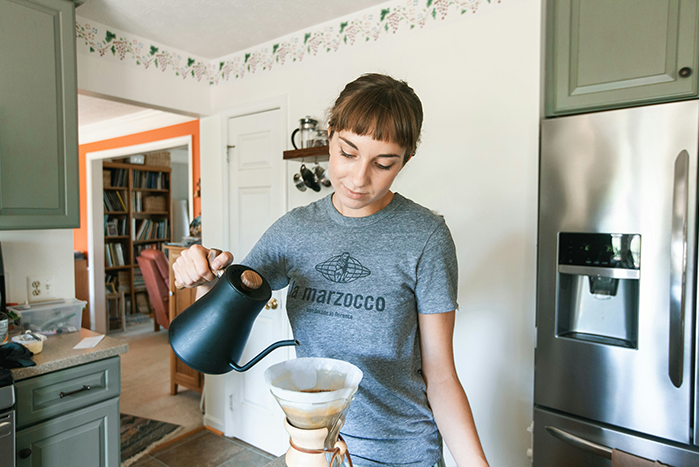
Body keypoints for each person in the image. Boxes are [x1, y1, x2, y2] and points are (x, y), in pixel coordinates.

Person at [173, 73, 489, 467]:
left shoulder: (425, 237)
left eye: (383, 163)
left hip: (400, 453)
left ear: (405, 160)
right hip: (313, 450)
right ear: (330, 136)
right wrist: (204, 277)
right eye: (348, 152)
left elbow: (440, 376)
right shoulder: (295, 230)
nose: (358, 178)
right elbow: (222, 321)